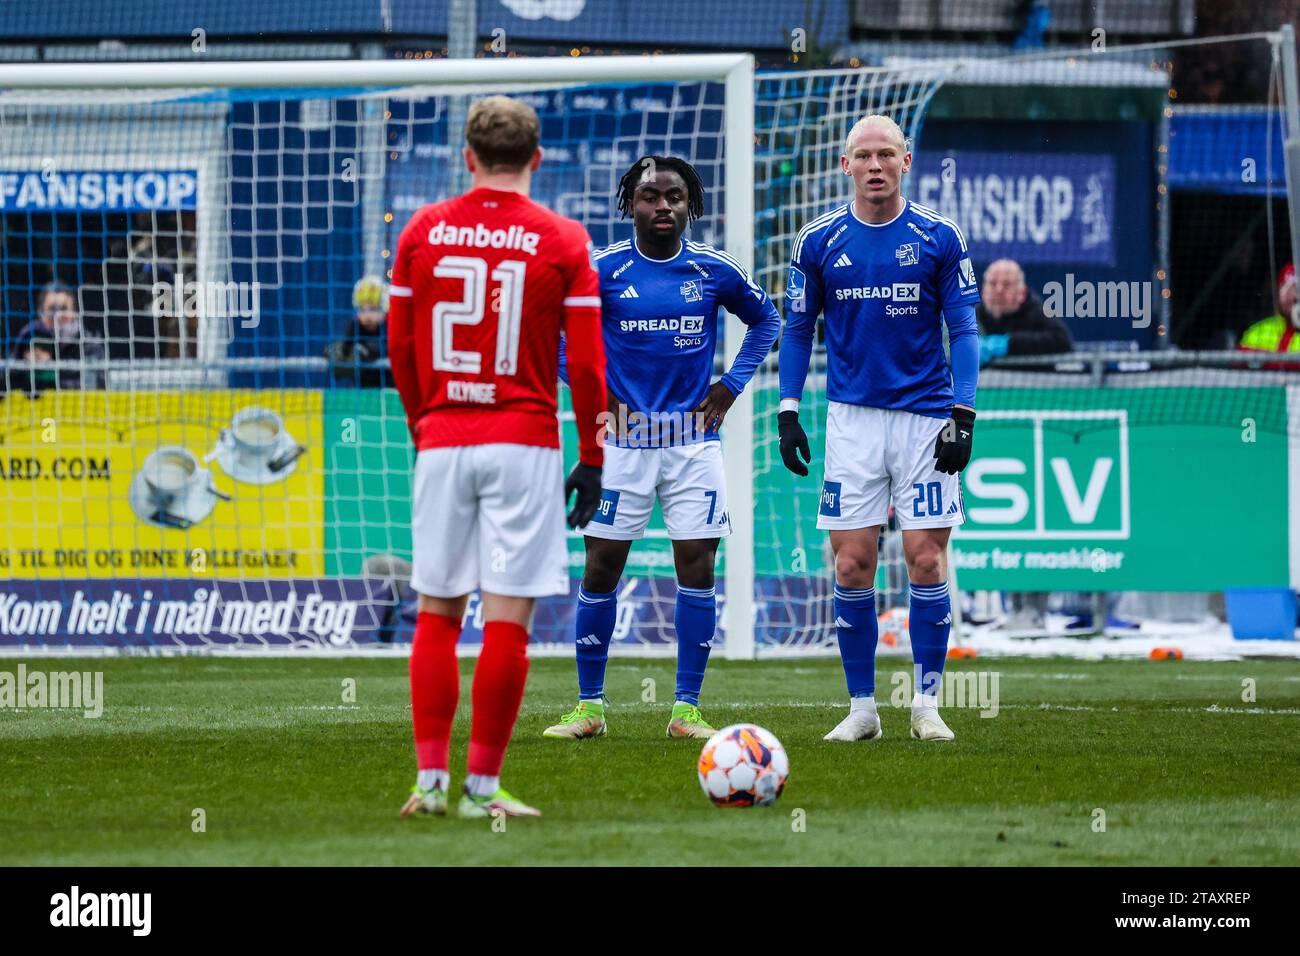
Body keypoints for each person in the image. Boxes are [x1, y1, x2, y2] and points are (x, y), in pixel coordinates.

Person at [388, 95, 607, 819]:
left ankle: (429, 784)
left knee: (437, 613)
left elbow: (402, 346)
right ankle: (483, 787)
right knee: (507, 621)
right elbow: (590, 367)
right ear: (537, 160)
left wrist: (426, 423)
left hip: (444, 437)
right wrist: (594, 453)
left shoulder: (422, 229)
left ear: (467, 157)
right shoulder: (563, 239)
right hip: (523, 442)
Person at [542, 156, 780, 741]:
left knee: (697, 568)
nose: (663, 206)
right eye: (650, 196)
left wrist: (729, 386)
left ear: (690, 204)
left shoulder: (713, 269)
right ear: (630, 205)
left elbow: (768, 320)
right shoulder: (601, 270)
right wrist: (596, 398)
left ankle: (686, 710)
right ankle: (590, 708)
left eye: (674, 196)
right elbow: (553, 341)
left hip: (693, 447)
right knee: (602, 569)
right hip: (620, 446)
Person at [777, 114, 980, 743]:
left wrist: (963, 414)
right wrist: (787, 408)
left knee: (924, 559)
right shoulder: (816, 242)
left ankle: (926, 705)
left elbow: (964, 330)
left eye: (885, 154)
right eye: (862, 155)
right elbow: (796, 329)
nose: (873, 165)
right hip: (852, 423)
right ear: (845, 166)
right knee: (852, 566)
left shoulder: (939, 237)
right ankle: (863, 707)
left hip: (925, 419)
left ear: (906, 161)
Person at [10, 280, 105, 392]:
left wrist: (48, 371)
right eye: (52, 309)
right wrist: (27, 367)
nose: (58, 315)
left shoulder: (89, 344)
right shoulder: (28, 337)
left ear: (74, 311)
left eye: (64, 308)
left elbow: (94, 386)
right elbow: (10, 379)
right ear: (40, 311)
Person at [976, 258, 1072, 365]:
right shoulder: (971, 313)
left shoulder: (1035, 310)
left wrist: (1009, 343)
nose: (999, 291)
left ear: (1022, 293)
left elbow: (1061, 340)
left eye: (1007, 285)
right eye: (993, 284)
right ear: (983, 291)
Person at [326, 275, 391, 387]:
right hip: (363, 388)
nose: (367, 316)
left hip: (388, 385)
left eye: (374, 309)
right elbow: (345, 348)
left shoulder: (389, 326)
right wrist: (336, 353)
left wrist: (368, 351)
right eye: (362, 309)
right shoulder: (355, 326)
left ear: (385, 308)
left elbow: (391, 349)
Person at [1238, 263, 1300, 355]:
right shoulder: (1259, 331)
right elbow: (1240, 360)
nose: (1292, 296)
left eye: (1296, 289)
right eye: (1285, 288)